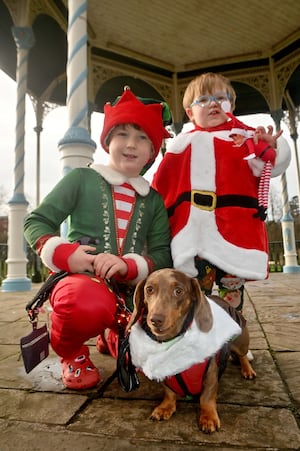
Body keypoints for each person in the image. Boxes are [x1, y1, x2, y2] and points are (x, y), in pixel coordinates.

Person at [24, 87, 172, 390]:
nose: (131, 145)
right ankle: (72, 352)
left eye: (142, 137)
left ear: (152, 151)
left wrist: (127, 266)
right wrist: (66, 253)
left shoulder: (154, 200)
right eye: (123, 134)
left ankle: (115, 335)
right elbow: (36, 221)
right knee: (82, 303)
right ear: (108, 141)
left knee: (159, 352)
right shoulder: (81, 178)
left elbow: (162, 254)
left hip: (129, 292)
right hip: (81, 282)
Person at [152, 72, 291, 312]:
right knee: (194, 292)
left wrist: (270, 148)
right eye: (203, 100)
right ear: (190, 113)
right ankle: (198, 338)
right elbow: (161, 186)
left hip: (234, 231)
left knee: (232, 293)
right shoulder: (181, 145)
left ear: (232, 105)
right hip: (193, 234)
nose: (213, 103)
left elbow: (270, 167)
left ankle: (234, 337)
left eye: (220, 98)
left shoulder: (246, 138)